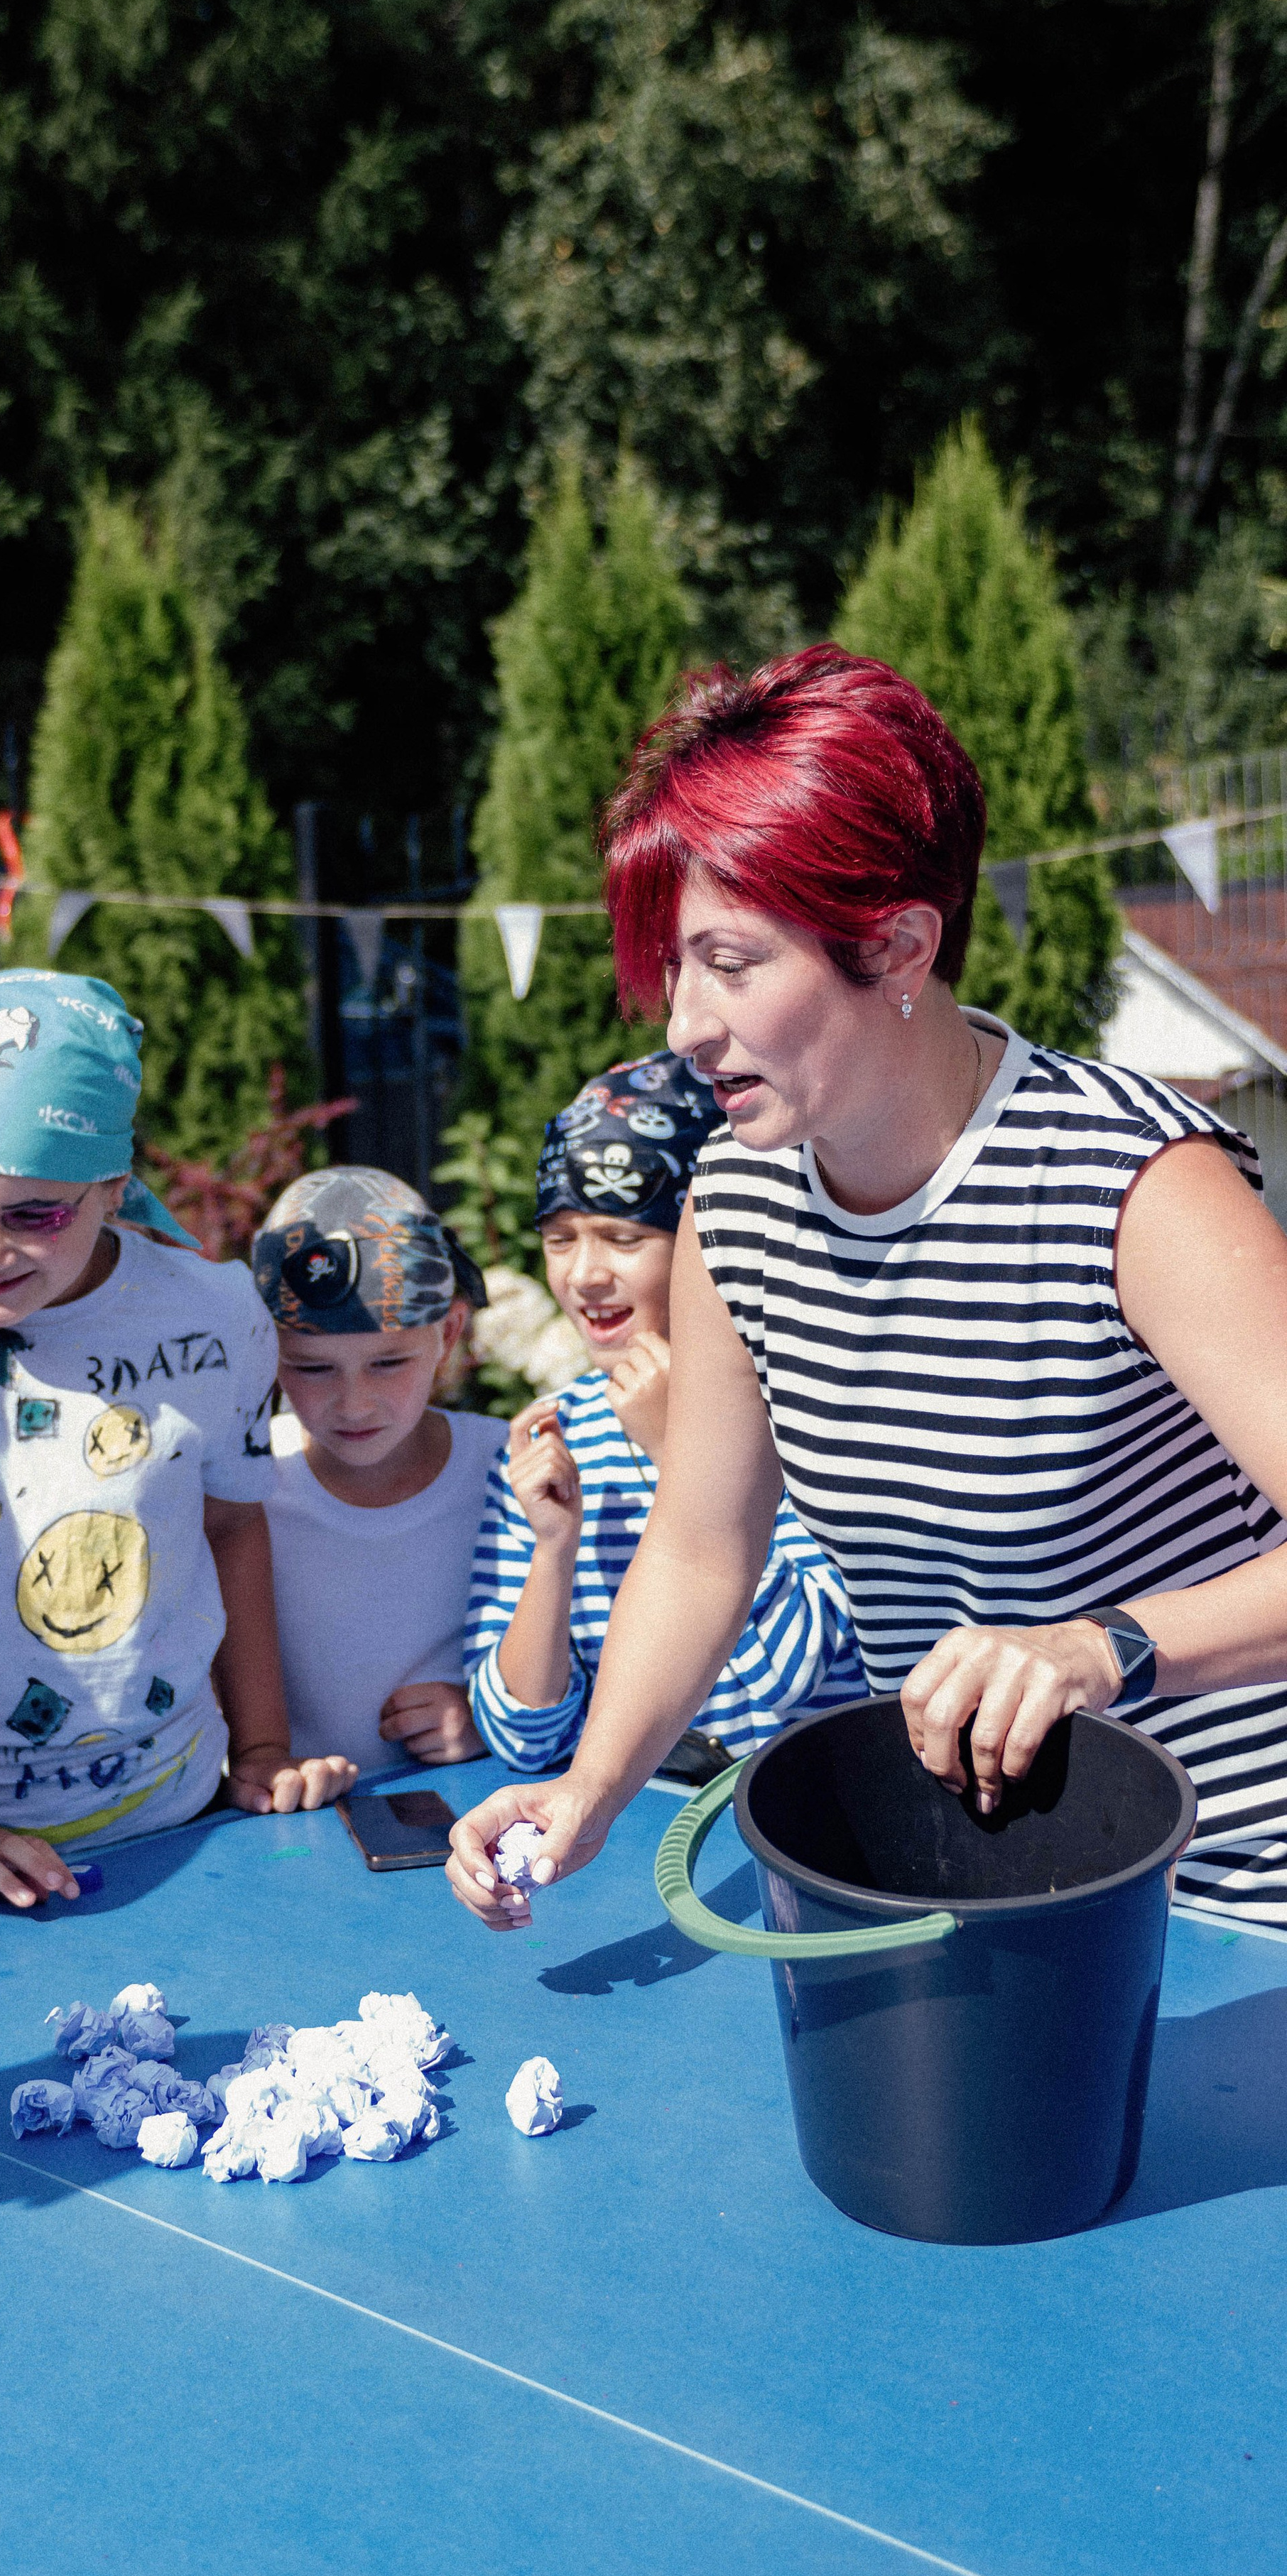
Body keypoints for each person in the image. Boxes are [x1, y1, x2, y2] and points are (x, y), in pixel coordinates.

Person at [447, 644, 1287, 1933]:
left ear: (895, 945)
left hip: (1234, 1899)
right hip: (973, 1893)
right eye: (675, 967)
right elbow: (702, 1545)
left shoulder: (1132, 1184)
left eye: (731, 964)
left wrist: (1098, 1645)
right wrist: (592, 1788)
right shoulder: (737, 1198)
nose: (682, 1024)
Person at [0, 968, 357, 1913]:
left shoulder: (214, 1313)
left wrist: (262, 1749)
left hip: (177, 1825)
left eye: (34, 1215)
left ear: (114, 1186)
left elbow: (232, 1530)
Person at [465, 1051, 864, 1773]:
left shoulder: (815, 1411)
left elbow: (794, 1676)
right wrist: (553, 1553)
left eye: (624, 1238)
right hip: (632, 1839)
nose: (584, 1274)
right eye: (559, 1239)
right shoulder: (553, 1437)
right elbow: (524, 1740)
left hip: (799, 1822)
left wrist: (682, 1455)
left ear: (712, 1244)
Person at [251, 1166, 501, 1778]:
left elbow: (594, 1645)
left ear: (448, 1333)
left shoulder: (510, 1468)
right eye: (312, 1368)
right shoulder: (247, 1491)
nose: (354, 1403)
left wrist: (491, 1718)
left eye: (388, 1362)